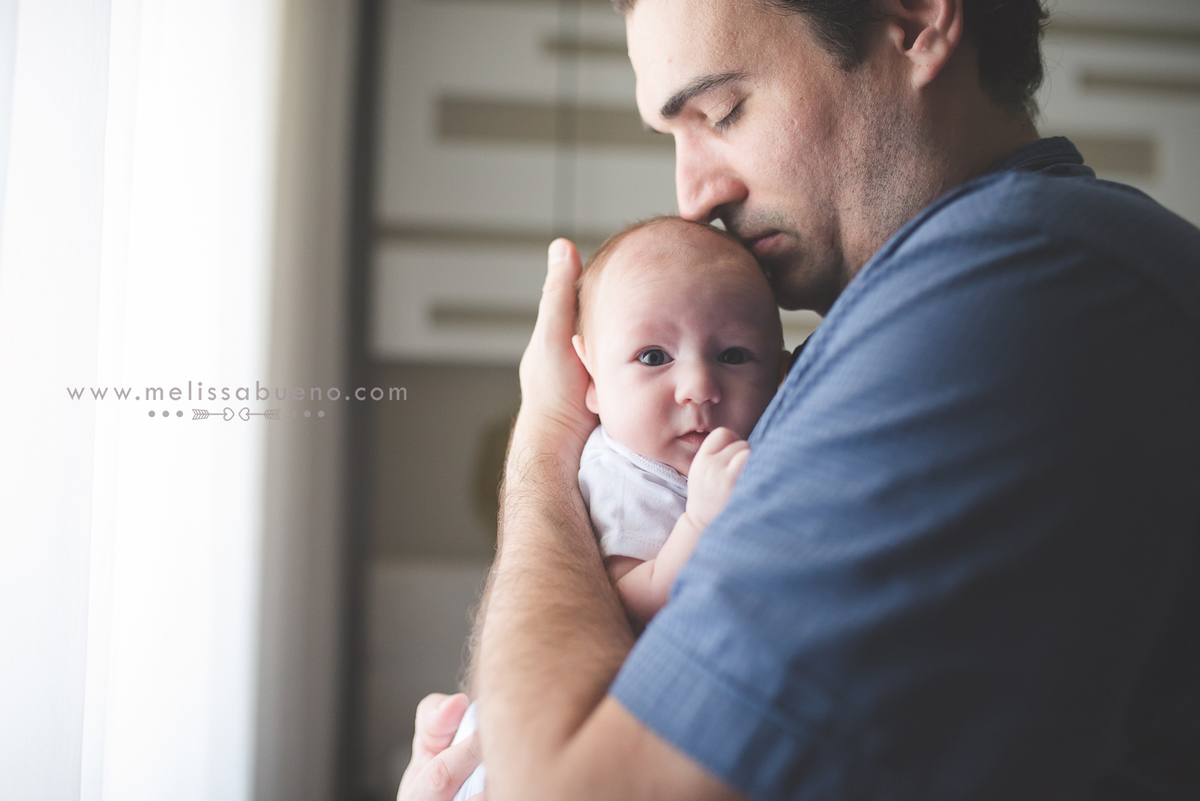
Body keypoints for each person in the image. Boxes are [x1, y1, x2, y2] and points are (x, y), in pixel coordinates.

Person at [399, 0, 1200, 798]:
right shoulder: (899, 328)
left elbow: (570, 789)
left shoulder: (1017, 290)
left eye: (724, 110)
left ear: (915, 22)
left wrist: (549, 427)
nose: (694, 195)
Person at [447, 216, 790, 800]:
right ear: (592, 379)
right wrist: (700, 523)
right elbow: (623, 600)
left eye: (735, 355)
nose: (698, 386)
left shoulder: (747, 447)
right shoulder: (621, 472)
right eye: (654, 356)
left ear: (783, 370)